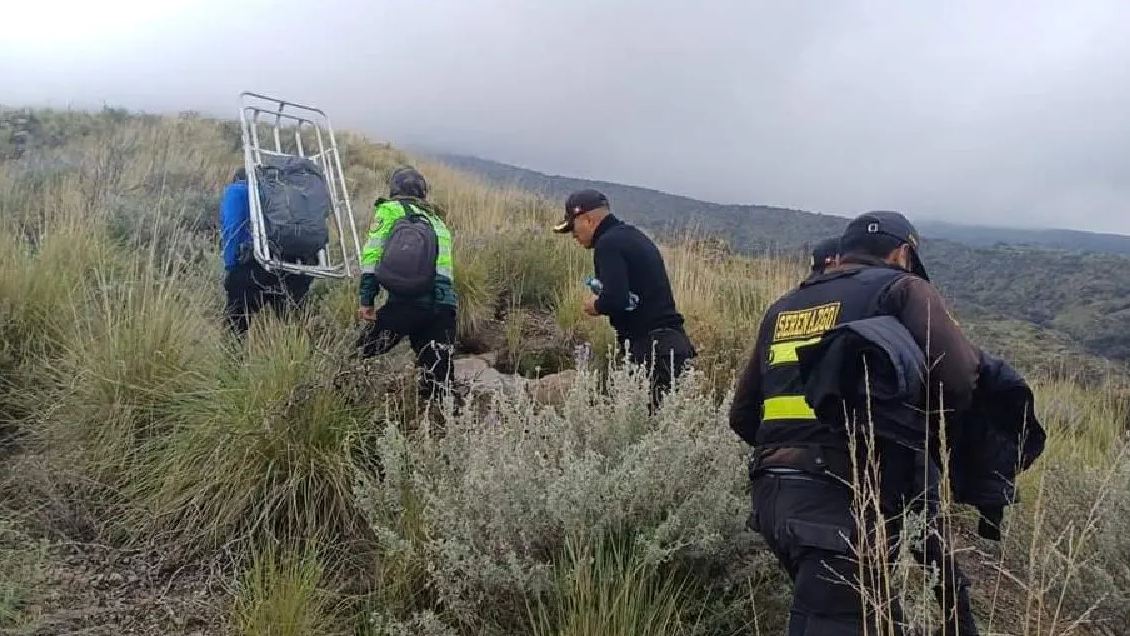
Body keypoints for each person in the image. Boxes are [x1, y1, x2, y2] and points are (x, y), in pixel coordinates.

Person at [729, 210, 983, 635]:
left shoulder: (783, 306)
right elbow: (958, 378)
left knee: (858, 618)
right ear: (902, 253)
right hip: (842, 504)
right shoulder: (903, 289)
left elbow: (742, 414)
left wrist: (796, 451)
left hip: (774, 497)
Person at [552, 188, 696, 412]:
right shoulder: (632, 236)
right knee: (663, 423)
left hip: (652, 351)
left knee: (643, 424)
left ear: (588, 219)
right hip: (672, 346)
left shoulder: (607, 244)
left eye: (573, 227)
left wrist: (595, 305)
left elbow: (616, 299)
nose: (573, 235)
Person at [356, 166, 459, 409]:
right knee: (440, 380)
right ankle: (447, 422)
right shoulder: (437, 221)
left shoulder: (390, 210)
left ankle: (339, 399)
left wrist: (367, 299)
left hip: (406, 304)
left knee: (359, 354)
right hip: (444, 308)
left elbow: (371, 258)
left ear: (394, 189)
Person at [220, 167, 314, 337]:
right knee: (295, 329)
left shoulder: (238, 191)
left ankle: (233, 354)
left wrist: (230, 265)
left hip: (254, 266)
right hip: (294, 265)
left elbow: (232, 229)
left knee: (235, 330)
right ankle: (301, 353)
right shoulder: (289, 195)